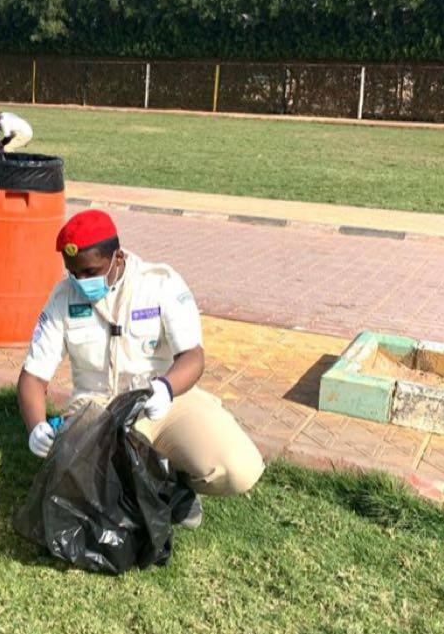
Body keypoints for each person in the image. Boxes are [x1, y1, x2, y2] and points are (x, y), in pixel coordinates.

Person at [16, 209, 264, 527]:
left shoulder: (159, 284)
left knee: (237, 469)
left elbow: (193, 356)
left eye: (90, 271)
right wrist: (36, 427)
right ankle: (155, 488)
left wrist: (166, 388)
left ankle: (174, 484)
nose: (81, 282)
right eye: (73, 273)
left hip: (163, 401)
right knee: (75, 488)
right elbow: (33, 377)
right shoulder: (63, 297)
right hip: (99, 408)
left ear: (117, 257)